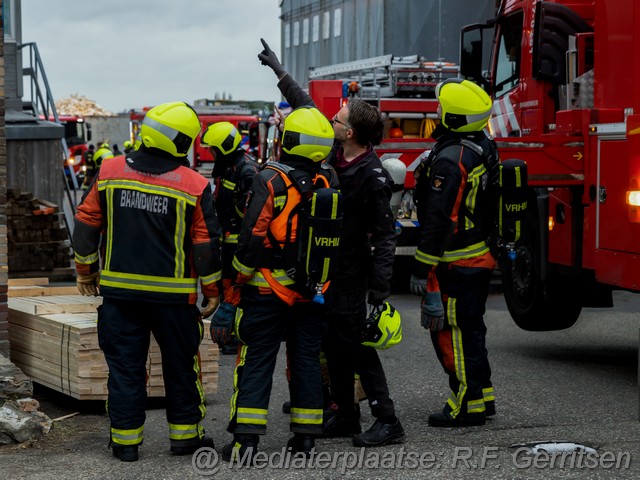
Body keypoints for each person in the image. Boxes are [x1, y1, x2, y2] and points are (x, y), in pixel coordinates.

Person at [259, 38, 404, 448]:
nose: (330, 122)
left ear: (351, 132)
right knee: (333, 343)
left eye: (337, 119)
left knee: (355, 344)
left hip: (352, 271)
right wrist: (279, 72)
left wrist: (379, 290)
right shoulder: (339, 157)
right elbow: (305, 106)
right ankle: (345, 414)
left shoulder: (372, 177)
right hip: (329, 269)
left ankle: (388, 419)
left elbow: (385, 235)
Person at [72, 101, 223, 461]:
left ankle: (125, 445)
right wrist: (213, 291)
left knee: (125, 370)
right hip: (174, 303)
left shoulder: (109, 171)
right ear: (181, 141)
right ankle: (185, 439)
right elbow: (205, 246)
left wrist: (86, 270)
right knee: (181, 369)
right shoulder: (194, 184)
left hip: (120, 298)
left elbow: (86, 224)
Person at [219, 105, 338, 461]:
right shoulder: (328, 179)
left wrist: (235, 283)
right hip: (313, 292)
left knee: (256, 363)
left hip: (267, 290)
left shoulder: (270, 179)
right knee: (304, 363)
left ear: (287, 140)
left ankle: (245, 444)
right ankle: (305, 441)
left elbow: (252, 238)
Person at [409, 78, 499, 428]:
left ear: (455, 117)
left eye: (442, 108)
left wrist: (420, 267)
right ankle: (482, 394)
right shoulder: (480, 146)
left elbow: (439, 219)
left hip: (458, 262)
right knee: (472, 329)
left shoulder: (451, 159)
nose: (437, 111)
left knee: (454, 333)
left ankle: (466, 404)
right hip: (477, 256)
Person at [201, 121, 259, 354]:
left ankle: (238, 335)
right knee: (227, 286)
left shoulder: (247, 171)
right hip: (227, 239)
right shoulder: (227, 168)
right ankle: (230, 334)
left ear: (223, 148)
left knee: (239, 289)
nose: (211, 154)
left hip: (239, 242)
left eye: (213, 149)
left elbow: (253, 216)